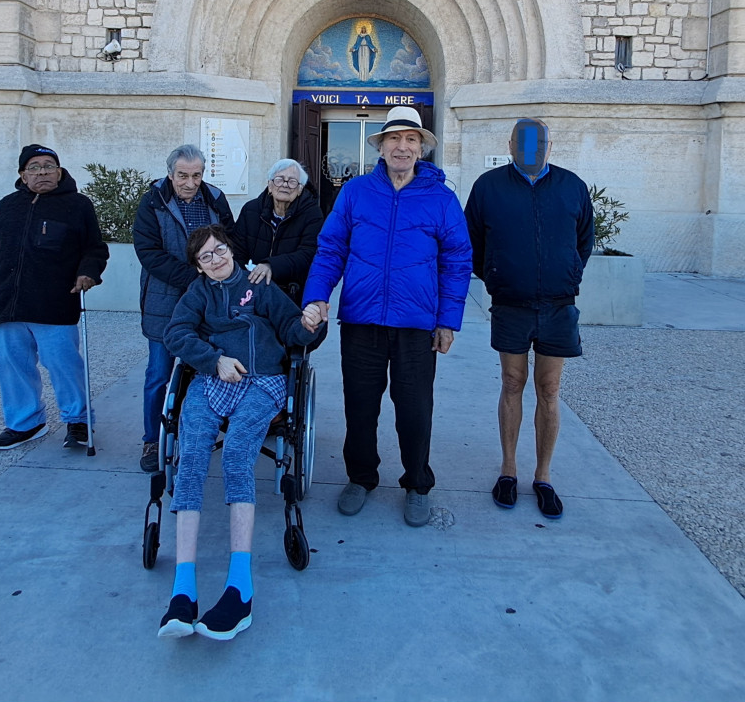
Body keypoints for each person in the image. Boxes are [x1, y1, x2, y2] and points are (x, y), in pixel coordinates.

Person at [303, 106, 472, 527]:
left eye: (411, 139)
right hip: (362, 319)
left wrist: (448, 321)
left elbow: (457, 260)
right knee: (360, 407)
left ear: (421, 148)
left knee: (414, 409)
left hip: (417, 325)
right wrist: (317, 297)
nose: (402, 146)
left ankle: (417, 484)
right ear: (381, 147)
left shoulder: (442, 198)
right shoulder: (356, 192)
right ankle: (361, 477)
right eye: (394, 138)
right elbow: (330, 249)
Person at [157, 224, 323, 641]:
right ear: (197, 265)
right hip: (214, 379)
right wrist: (213, 360)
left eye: (220, 250)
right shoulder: (197, 294)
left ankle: (239, 588)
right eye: (206, 257)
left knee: (235, 455)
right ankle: (183, 590)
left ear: (231, 249)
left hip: (263, 381)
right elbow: (175, 334)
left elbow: (292, 329)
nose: (216, 260)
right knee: (191, 457)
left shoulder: (258, 285)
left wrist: (309, 323)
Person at [464, 118, 594, 519]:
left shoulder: (572, 187)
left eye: (539, 145)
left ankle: (543, 475)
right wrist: (499, 278)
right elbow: (473, 244)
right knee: (512, 382)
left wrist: (568, 274)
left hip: (558, 305)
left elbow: (584, 241)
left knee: (550, 389)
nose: (532, 152)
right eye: (524, 145)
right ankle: (508, 470)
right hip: (511, 305)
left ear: (550, 148)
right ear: (510, 146)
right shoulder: (488, 187)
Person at [0, 144, 109, 450]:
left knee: (64, 364)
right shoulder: (7, 205)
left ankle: (79, 421)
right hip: (9, 303)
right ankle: (25, 423)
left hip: (55, 302)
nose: (42, 171)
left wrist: (88, 272)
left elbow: (95, 249)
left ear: (59, 172)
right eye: (34, 167)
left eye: (48, 166)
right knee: (14, 366)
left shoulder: (78, 205)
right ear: (22, 175)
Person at [133, 144, 235, 473]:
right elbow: (148, 251)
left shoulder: (215, 199)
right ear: (170, 173)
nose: (190, 182)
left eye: (196, 175)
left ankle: (196, 434)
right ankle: (152, 439)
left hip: (209, 302)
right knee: (158, 374)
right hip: (165, 300)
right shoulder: (153, 201)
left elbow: (229, 243)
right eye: (183, 175)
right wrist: (195, 276)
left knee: (205, 370)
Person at [232, 158, 324, 307]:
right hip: (253, 291)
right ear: (270, 185)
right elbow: (237, 251)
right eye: (279, 179)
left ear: (300, 189)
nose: (285, 185)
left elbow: (308, 254)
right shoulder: (251, 210)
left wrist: (271, 266)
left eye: (292, 181)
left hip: (294, 295)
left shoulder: (312, 214)